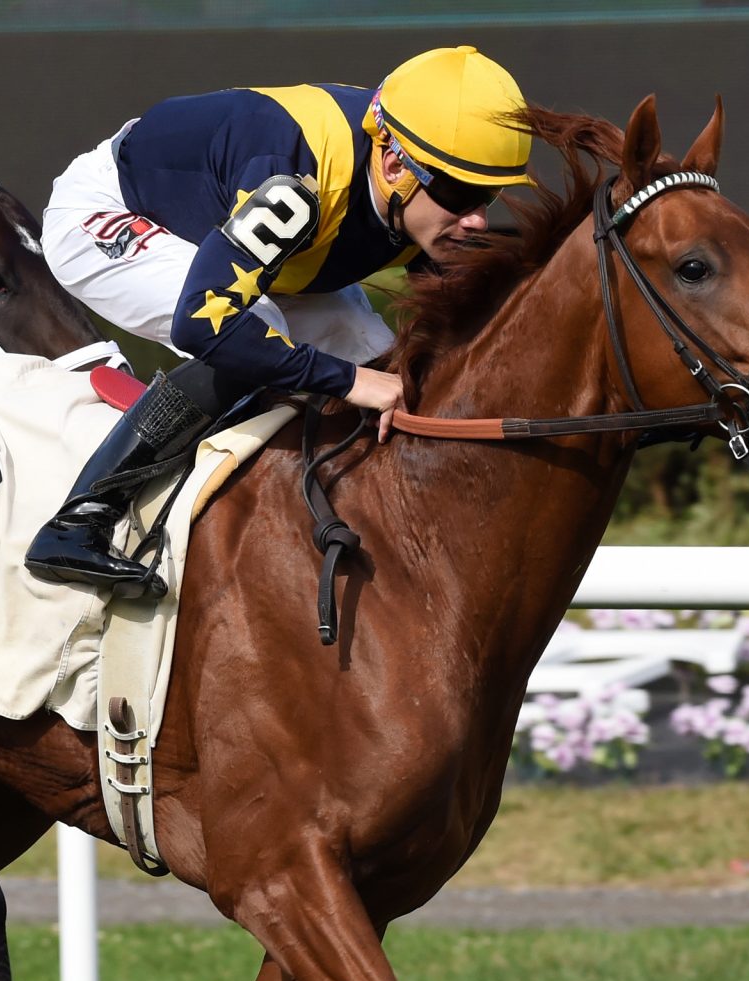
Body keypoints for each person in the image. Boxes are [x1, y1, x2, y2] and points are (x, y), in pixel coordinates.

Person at [30, 45, 534, 596]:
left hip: (260, 237)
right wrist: (348, 381)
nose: (477, 219)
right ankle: (79, 522)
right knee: (261, 329)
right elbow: (206, 323)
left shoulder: (406, 176)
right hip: (115, 209)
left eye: (488, 195)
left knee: (374, 347)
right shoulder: (294, 186)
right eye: (460, 194)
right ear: (394, 165)